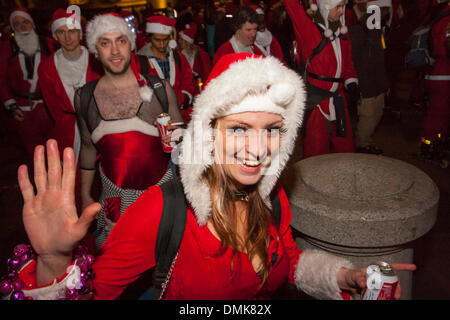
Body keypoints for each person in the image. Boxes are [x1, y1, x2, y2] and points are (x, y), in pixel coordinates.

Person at [8, 52, 415, 300]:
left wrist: (344, 275)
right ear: (208, 133)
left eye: (272, 129)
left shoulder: (272, 198)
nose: (258, 150)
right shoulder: (162, 210)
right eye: (239, 129)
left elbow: (289, 265)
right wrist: (52, 264)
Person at [75, 13, 184, 250]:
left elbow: (183, 141)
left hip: (163, 195)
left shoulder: (159, 89)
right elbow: (86, 147)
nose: (115, 51)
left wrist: (177, 139)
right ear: (95, 49)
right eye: (105, 43)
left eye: (121, 41)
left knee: (168, 263)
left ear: (131, 45)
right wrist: (84, 194)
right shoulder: (84, 97)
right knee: (122, 269)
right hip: (115, 201)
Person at [283, 0, 360, 159]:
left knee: (346, 145)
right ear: (325, 8)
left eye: (342, 7)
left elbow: (348, 60)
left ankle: (347, 177)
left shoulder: (341, 32)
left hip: (338, 98)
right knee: (316, 150)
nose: (341, 11)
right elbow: (293, 7)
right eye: (337, 7)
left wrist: (351, 79)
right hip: (317, 101)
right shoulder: (309, 30)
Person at [38, 8, 102, 166]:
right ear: (54, 36)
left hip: (100, 126)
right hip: (67, 130)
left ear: (80, 34)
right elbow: (53, 107)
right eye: (61, 32)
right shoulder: (46, 67)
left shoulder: (98, 60)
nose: (67, 37)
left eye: (72, 31)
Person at [0, 8, 53, 163]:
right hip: (23, 111)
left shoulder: (48, 44)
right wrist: (11, 104)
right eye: (17, 24)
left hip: (48, 108)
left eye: (25, 22)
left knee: (55, 148)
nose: (22, 27)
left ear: (32, 24)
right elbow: (1, 79)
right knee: (34, 152)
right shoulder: (6, 48)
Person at [349, 0, 392, 155]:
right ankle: (362, 144)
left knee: (377, 113)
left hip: (378, 82)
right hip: (366, 83)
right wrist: (357, 84)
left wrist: (385, 84)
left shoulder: (377, 31)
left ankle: (366, 141)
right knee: (368, 115)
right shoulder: (359, 31)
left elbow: (380, 59)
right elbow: (354, 61)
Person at [138, 15, 195, 111]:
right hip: (154, 116)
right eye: (157, 40)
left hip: (180, 113)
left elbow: (188, 81)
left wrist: (184, 98)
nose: (162, 44)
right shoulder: (140, 61)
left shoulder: (178, 57)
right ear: (150, 38)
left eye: (165, 40)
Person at [418, 0, 450, 162]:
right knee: (439, 113)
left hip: (435, 70)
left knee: (437, 112)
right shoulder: (446, 16)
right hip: (442, 72)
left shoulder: (436, 12)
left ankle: (433, 142)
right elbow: (445, 45)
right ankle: (430, 144)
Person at [177, 22, 211, 123]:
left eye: (181, 39)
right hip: (186, 91)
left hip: (199, 91)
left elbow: (207, 74)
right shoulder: (178, 55)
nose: (179, 41)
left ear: (187, 41)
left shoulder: (201, 55)